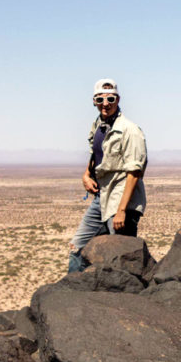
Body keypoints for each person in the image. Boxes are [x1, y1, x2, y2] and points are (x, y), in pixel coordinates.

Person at [67, 78, 148, 272]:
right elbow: (96, 155)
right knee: (78, 246)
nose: (105, 104)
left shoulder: (130, 130)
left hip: (122, 198)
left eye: (110, 99)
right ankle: (75, 291)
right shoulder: (98, 126)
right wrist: (86, 175)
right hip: (102, 196)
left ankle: (130, 298)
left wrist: (121, 210)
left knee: (122, 256)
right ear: (94, 101)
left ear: (118, 100)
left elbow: (135, 172)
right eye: (100, 99)